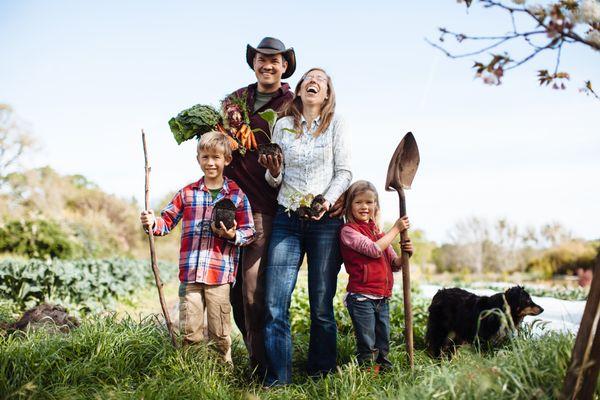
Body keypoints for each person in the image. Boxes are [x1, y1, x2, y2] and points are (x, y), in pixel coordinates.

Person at [260, 67, 352, 385]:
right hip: (287, 219)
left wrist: (326, 201)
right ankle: (278, 379)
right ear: (299, 90)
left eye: (322, 80)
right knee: (275, 303)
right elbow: (275, 179)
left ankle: (321, 376)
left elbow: (344, 172)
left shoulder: (337, 123)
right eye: (309, 79)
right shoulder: (282, 126)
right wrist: (272, 171)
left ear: (326, 94)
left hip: (325, 223)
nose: (314, 81)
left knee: (322, 304)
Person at [140, 132, 255, 363]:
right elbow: (167, 221)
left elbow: (250, 231)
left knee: (220, 332)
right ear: (198, 159)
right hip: (190, 274)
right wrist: (152, 223)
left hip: (219, 276)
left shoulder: (236, 195)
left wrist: (233, 235)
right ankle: (192, 373)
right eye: (205, 157)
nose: (210, 162)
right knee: (190, 330)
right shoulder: (187, 193)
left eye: (216, 157)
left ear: (227, 160)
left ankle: (222, 375)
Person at [224, 37, 296, 375]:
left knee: (254, 290)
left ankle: (262, 366)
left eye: (274, 60)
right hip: (229, 203)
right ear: (253, 63)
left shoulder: (292, 104)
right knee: (233, 291)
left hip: (264, 207)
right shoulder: (235, 100)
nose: (267, 64)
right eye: (261, 59)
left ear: (284, 66)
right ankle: (253, 354)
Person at [339, 180, 413, 371]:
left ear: (376, 206)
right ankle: (366, 375)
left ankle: (384, 372)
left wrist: (406, 255)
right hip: (362, 297)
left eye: (370, 202)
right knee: (368, 342)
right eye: (359, 202)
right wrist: (396, 229)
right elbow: (372, 250)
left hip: (382, 297)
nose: (365, 206)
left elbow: (394, 264)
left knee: (383, 340)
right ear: (350, 206)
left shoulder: (379, 233)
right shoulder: (349, 231)